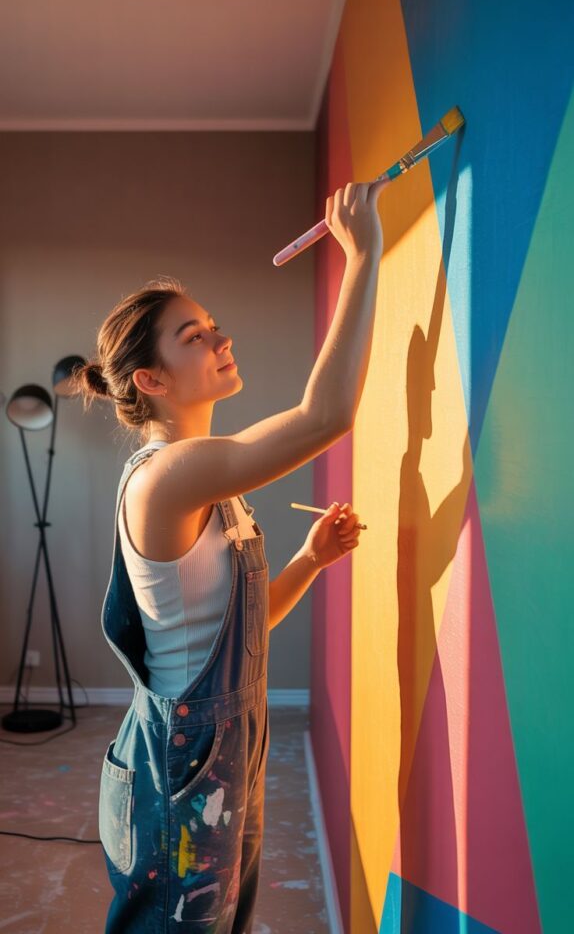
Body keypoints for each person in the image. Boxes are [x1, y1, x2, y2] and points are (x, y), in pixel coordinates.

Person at [73, 179, 386, 933]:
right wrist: (364, 254)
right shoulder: (168, 476)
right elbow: (327, 415)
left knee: (220, 922)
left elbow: (234, 635)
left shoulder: (211, 480)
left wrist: (310, 559)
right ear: (151, 381)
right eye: (195, 337)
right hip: (183, 760)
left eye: (212, 326)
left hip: (224, 744)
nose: (222, 341)